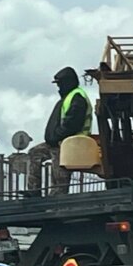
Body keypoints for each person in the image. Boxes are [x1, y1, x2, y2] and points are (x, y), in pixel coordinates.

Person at [26, 67, 92, 196]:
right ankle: (34, 191)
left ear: (66, 83)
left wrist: (56, 136)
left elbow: (72, 124)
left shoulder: (77, 97)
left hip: (73, 142)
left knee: (59, 167)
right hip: (61, 140)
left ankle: (58, 196)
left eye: (60, 84)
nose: (58, 87)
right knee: (35, 153)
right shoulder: (69, 97)